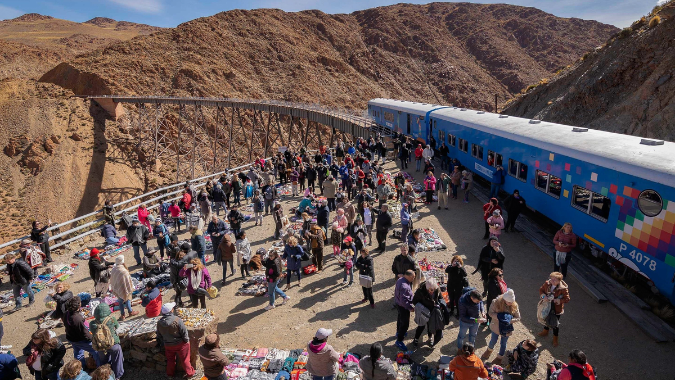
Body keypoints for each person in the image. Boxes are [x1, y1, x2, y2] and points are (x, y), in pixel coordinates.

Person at [482, 289, 520, 365]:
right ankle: (489, 351)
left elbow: (518, 317)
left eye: (511, 302)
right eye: (509, 302)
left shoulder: (514, 305)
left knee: (503, 343)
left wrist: (509, 320)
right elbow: (490, 313)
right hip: (496, 326)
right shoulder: (495, 302)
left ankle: (499, 358)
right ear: (504, 299)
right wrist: (500, 317)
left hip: (506, 328)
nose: (510, 303)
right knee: (493, 340)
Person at [157, 302, 195, 378]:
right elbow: (184, 332)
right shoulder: (177, 320)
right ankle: (190, 373)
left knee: (170, 360)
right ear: (171, 311)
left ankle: (170, 374)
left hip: (168, 345)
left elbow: (159, 335)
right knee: (185, 359)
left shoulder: (159, 322)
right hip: (180, 344)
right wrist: (186, 341)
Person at [63, 297, 101, 369]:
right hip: (80, 339)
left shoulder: (66, 314)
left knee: (78, 352)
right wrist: (93, 339)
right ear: (78, 306)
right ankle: (99, 368)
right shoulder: (77, 318)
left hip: (71, 337)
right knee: (96, 351)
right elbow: (85, 334)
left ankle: (81, 367)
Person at [538, 272, 570, 347]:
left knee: (555, 324)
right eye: (551, 279)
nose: (552, 281)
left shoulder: (563, 289)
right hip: (547, 305)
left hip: (556, 309)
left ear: (559, 281)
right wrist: (543, 296)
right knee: (546, 318)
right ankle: (545, 331)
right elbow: (541, 290)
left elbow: (567, 299)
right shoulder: (547, 283)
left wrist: (559, 301)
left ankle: (555, 338)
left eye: (554, 280)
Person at [411, 278, 443, 347]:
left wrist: (439, 304)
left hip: (432, 310)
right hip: (423, 311)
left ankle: (430, 337)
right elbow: (414, 301)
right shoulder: (420, 291)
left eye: (433, 290)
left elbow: (440, 298)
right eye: (431, 290)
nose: (432, 291)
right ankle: (416, 339)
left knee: (430, 325)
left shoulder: (437, 289)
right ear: (427, 288)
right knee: (421, 326)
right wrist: (422, 308)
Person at [109, 256, 138, 321]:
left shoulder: (114, 269)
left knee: (120, 301)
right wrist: (130, 287)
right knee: (127, 299)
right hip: (125, 287)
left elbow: (112, 279)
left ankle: (122, 315)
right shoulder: (124, 270)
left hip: (118, 288)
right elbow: (128, 280)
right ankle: (130, 312)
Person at [394, 270, 416, 352]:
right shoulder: (405, 286)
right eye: (413, 277)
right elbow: (404, 301)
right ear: (409, 276)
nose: (413, 279)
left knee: (399, 319)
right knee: (405, 324)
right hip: (403, 307)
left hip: (398, 304)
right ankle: (399, 340)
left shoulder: (400, 279)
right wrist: (410, 308)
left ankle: (398, 332)